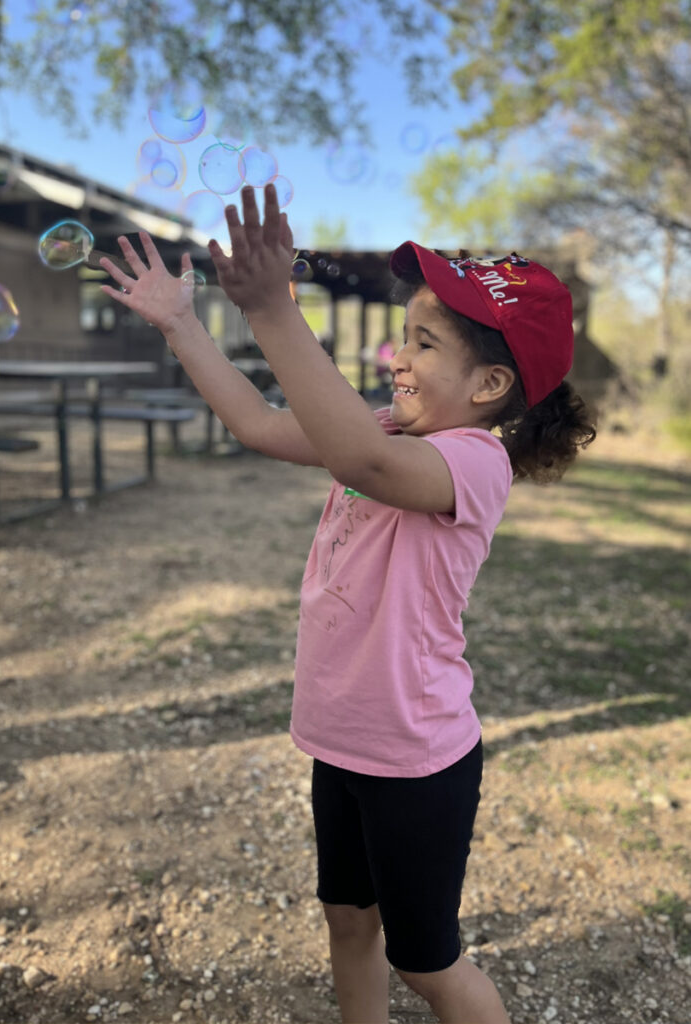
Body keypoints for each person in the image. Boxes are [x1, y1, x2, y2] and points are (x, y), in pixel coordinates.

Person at [99, 184, 596, 1024]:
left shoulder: (474, 463)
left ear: (489, 385)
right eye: (403, 336)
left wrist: (269, 311)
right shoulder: (386, 429)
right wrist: (183, 324)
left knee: (428, 962)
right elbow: (260, 424)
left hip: (417, 762)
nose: (395, 357)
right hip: (344, 742)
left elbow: (360, 464)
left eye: (423, 342)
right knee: (345, 920)